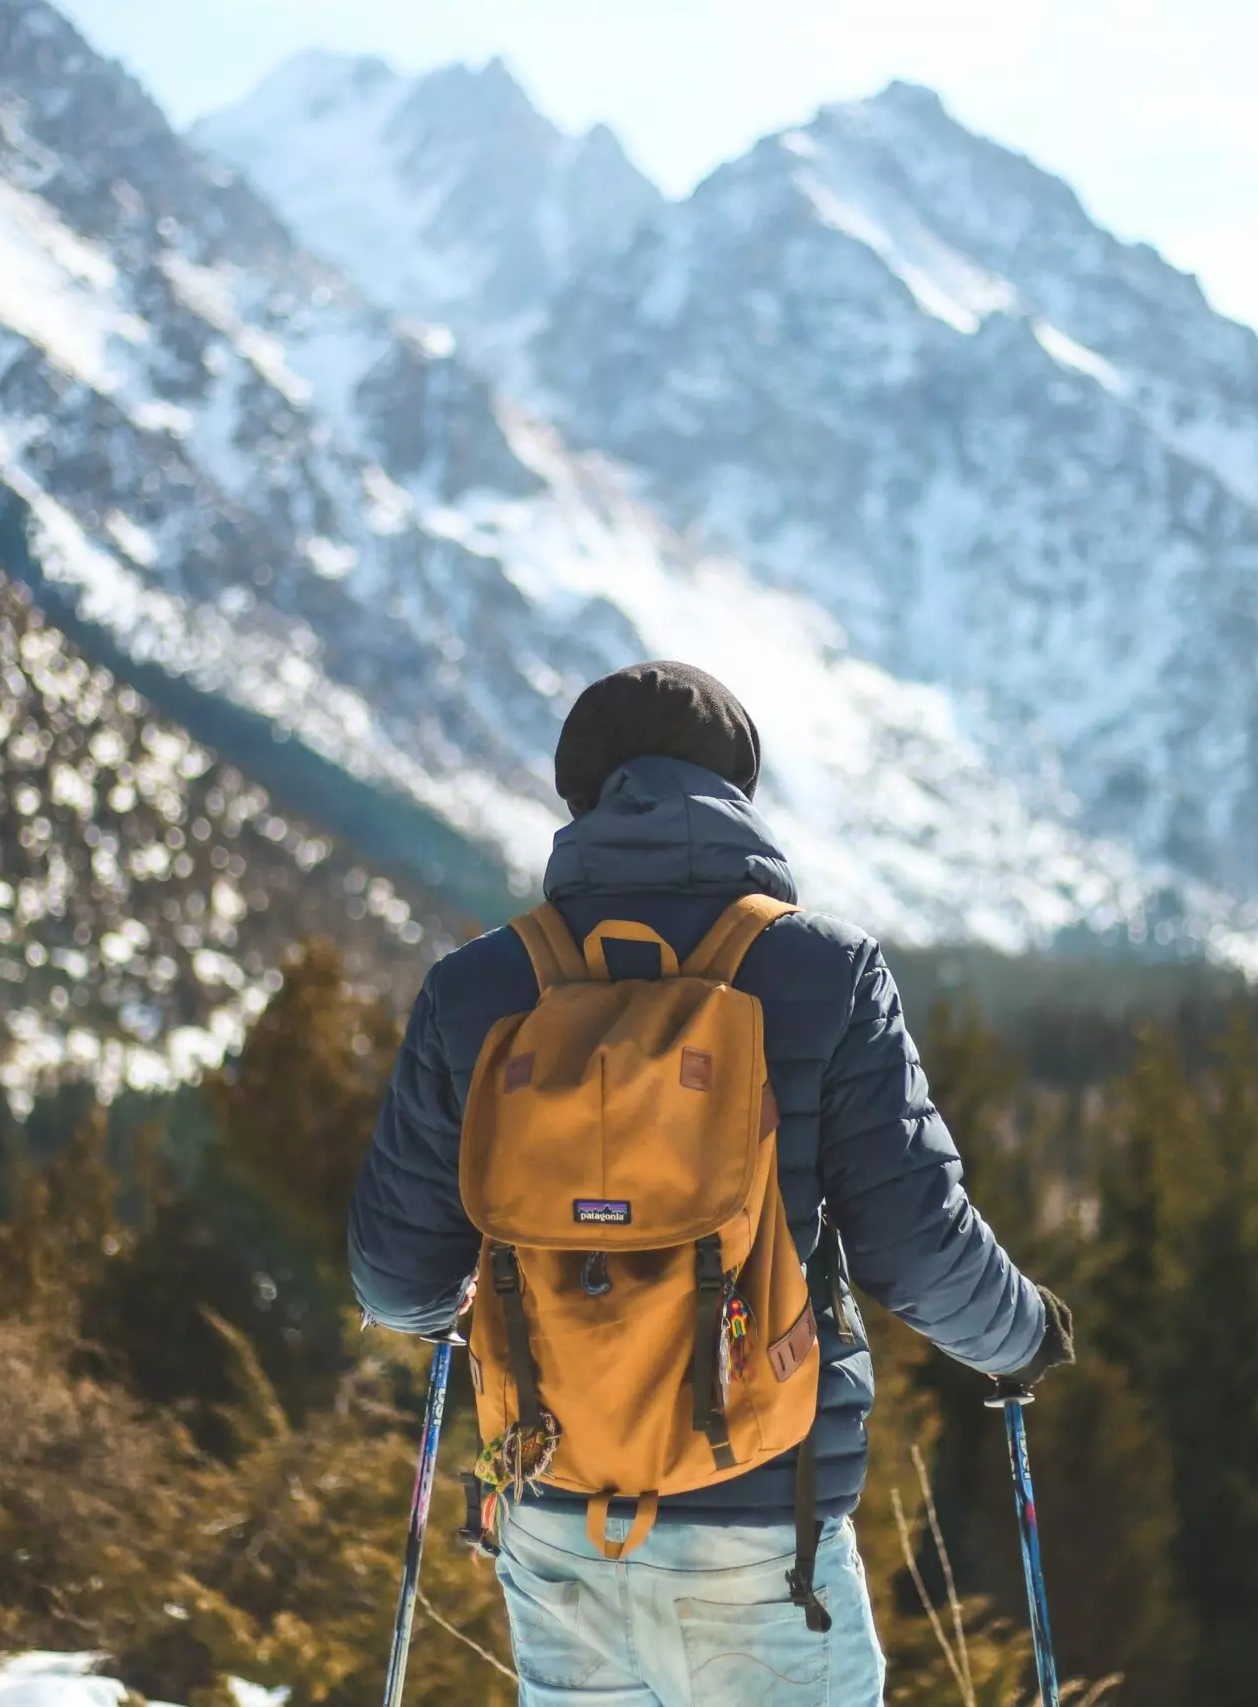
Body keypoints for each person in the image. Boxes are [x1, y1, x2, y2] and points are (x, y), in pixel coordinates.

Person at [350, 660, 1074, 1705]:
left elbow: (394, 1280)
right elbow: (915, 1245)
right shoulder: (824, 973)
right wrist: (1022, 1339)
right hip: (762, 1519)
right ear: (737, 791)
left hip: (557, 1512)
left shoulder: (479, 988)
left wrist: (469, 1303)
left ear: (580, 796)